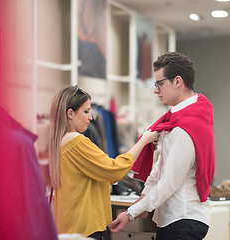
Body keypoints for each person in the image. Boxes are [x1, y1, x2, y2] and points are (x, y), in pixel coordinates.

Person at [109, 52, 215, 240]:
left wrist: (131, 212)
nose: (156, 90)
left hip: (182, 219)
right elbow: (161, 168)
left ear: (177, 81)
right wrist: (142, 200)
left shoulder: (185, 126)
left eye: (160, 84)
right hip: (178, 219)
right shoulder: (179, 119)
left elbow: (168, 182)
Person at [48, 85, 159, 240]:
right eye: (86, 111)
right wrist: (144, 140)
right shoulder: (76, 141)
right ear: (70, 113)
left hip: (70, 226)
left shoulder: (58, 141)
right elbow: (113, 170)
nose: (91, 117)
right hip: (84, 228)